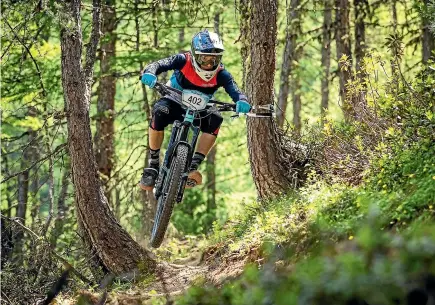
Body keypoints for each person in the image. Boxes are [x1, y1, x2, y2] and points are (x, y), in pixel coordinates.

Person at [139, 29, 250, 190]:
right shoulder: (183, 60)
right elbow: (159, 64)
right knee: (159, 112)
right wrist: (150, 72)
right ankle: (153, 164)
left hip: (201, 108)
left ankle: (192, 167)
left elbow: (235, 90)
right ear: (195, 55)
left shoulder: (221, 74)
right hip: (173, 100)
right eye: (205, 58)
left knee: (216, 120)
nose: (209, 64)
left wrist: (242, 101)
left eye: (214, 59)